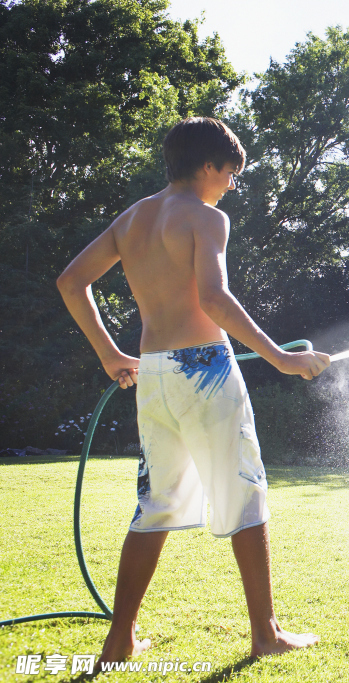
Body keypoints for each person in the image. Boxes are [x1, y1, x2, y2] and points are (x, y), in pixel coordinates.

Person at [56, 117, 330, 662]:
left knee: (154, 505)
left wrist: (111, 354)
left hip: (154, 373)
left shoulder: (132, 218)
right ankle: (267, 634)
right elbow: (214, 298)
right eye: (231, 173)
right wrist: (280, 358)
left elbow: (71, 281)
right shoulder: (206, 218)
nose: (232, 184)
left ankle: (120, 638)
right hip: (204, 368)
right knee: (244, 492)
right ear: (208, 166)